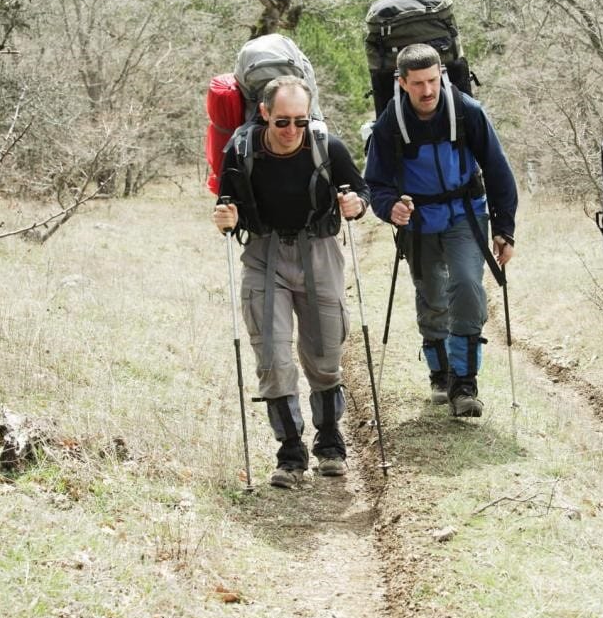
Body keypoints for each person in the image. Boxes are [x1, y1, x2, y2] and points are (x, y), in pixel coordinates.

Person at [212, 75, 369, 489]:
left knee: (325, 353)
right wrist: (225, 219)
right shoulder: (241, 150)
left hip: (318, 251)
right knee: (273, 357)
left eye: (300, 121)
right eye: (283, 122)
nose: (292, 132)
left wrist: (356, 204)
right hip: (265, 257)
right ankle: (290, 453)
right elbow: (227, 206)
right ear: (264, 114)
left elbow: (361, 192)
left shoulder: (327, 147)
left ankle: (331, 443)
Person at [364, 43, 518, 418]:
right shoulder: (390, 122)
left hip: (466, 214)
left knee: (466, 285)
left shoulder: (466, 111)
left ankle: (464, 385)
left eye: (433, 80)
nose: (428, 90)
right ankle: (440, 372)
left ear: (442, 76)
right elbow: (375, 183)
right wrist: (391, 209)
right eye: (418, 83)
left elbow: (498, 170)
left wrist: (504, 229)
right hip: (417, 221)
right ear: (402, 83)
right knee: (431, 293)